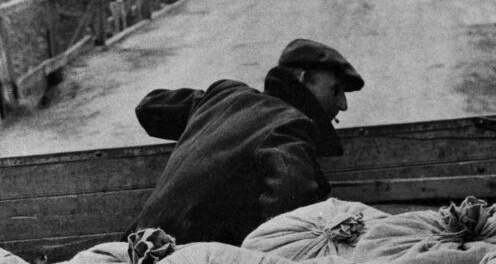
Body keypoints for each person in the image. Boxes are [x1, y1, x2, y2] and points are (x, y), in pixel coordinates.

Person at [128, 39, 365, 246]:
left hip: (138, 245)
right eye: (336, 90)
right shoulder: (292, 125)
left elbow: (149, 108)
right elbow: (291, 204)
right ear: (304, 79)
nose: (343, 104)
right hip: (191, 261)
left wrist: (210, 119)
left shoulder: (225, 94)